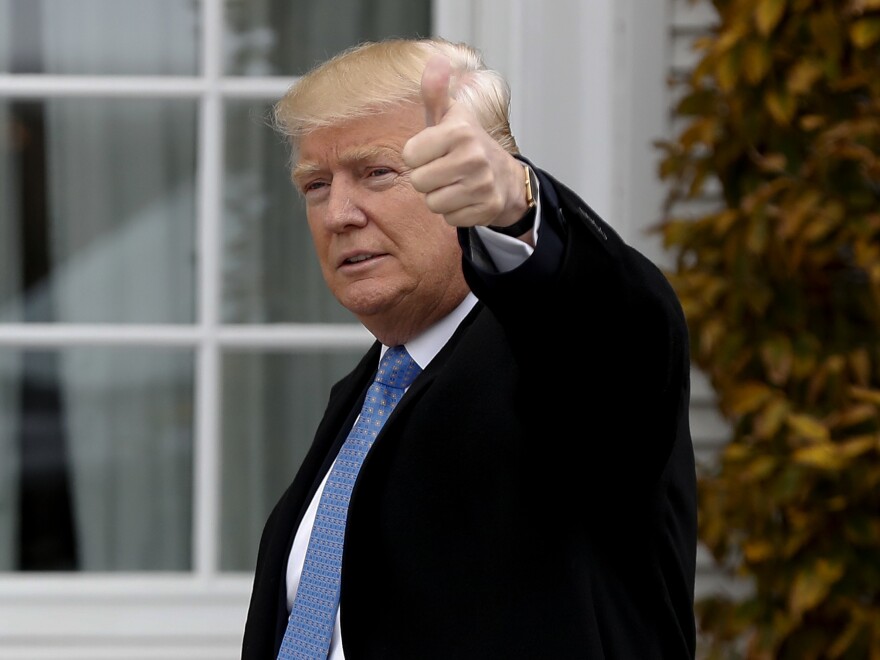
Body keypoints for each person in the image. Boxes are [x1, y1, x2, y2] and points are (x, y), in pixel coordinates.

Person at [242, 36, 697, 660]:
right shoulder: (368, 394)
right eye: (316, 185)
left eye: (377, 172)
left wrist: (520, 208)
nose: (339, 213)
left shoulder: (552, 358)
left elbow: (617, 328)